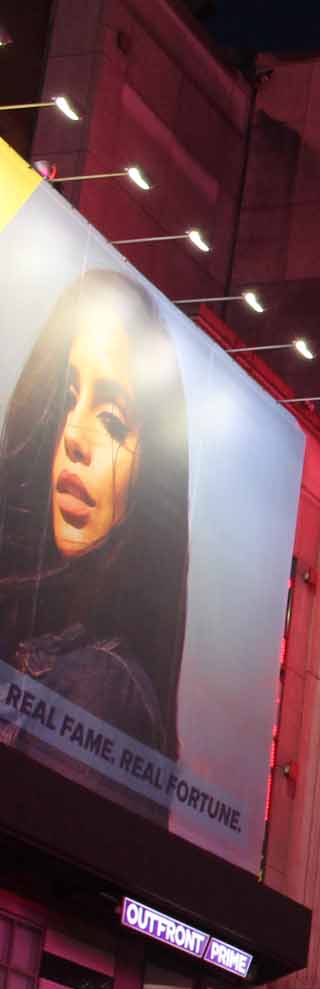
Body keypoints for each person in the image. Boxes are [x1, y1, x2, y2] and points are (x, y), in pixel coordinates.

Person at [0, 269, 193, 768]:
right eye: (66, 400)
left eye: (112, 420)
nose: (74, 436)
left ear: (150, 474)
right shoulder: (41, 646)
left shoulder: (102, 689)